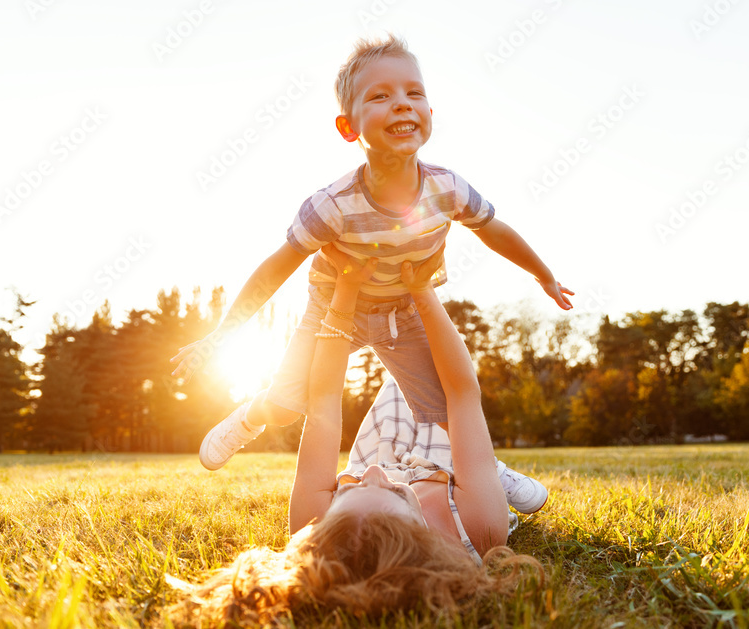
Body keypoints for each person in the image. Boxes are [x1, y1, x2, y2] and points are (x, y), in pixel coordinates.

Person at [170, 34, 573, 475]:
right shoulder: (333, 206)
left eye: (414, 93)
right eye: (381, 96)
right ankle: (250, 418)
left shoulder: (448, 189)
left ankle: (485, 468)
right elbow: (274, 270)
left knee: (445, 405)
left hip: (405, 309)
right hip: (333, 312)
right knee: (286, 406)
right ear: (349, 127)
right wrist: (221, 334)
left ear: (430, 115)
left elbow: (493, 229)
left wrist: (542, 274)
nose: (402, 104)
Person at [173, 246, 543, 624]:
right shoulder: (479, 527)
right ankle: (486, 471)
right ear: (427, 539)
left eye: (347, 490)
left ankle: (478, 465)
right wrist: (421, 290)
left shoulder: (314, 526)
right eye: (395, 491)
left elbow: (324, 400)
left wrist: (345, 293)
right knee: (448, 410)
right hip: (447, 469)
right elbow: (463, 392)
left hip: (383, 443)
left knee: (332, 398)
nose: (372, 474)